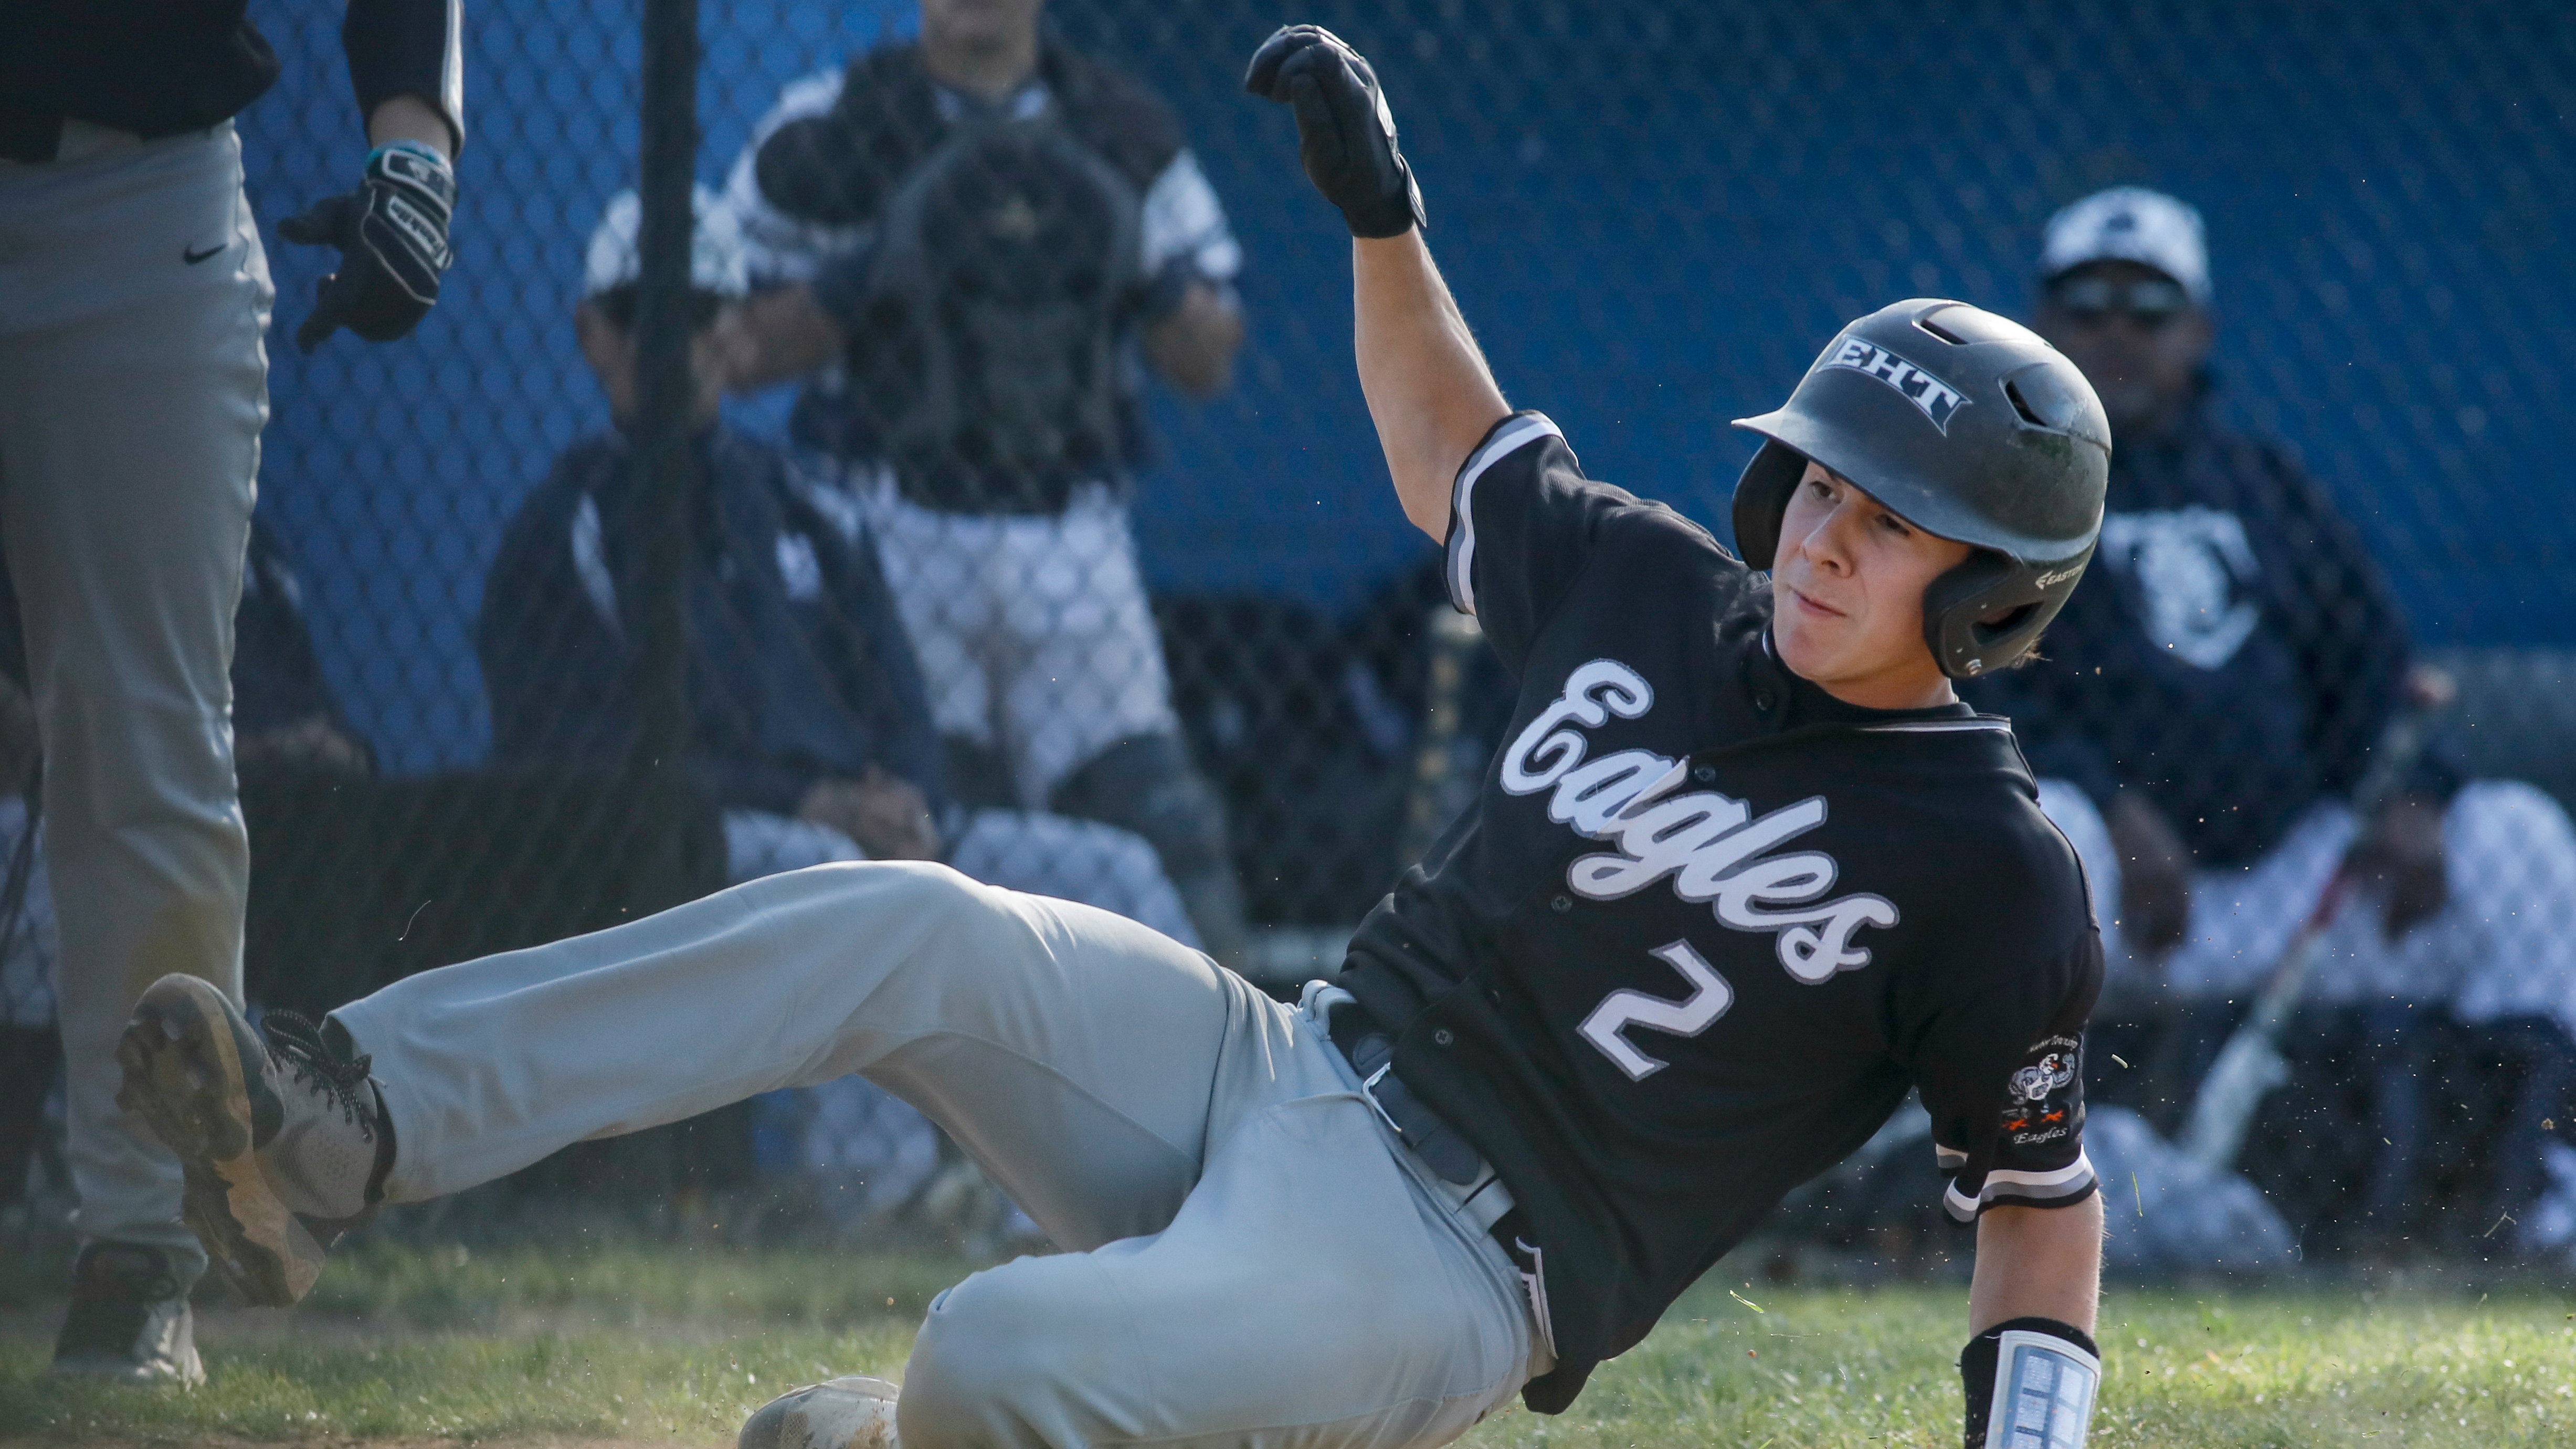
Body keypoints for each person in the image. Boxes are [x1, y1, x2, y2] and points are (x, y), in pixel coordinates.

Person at [116, 28, 2111, 1449]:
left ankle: (913, 1433)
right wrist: (1379, 220)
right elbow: (1456, 452)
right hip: (1275, 1062)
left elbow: (2037, 1214)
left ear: (1992, 589)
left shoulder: (1985, 868)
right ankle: (343, 1118)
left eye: (1886, 517)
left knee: (990, 1360)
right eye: (1816, 489)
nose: (1825, 533)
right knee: (893, 922)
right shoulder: (1660, 590)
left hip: (1443, 1272)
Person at [1972, 186, 2576, 1247]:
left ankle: (2540, 1182)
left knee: (2516, 836)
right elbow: (1982, 691)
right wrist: (2112, 808)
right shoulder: (2005, 495)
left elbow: (2368, 673)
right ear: (2044, 329)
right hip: (2109, 904)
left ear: (2197, 332)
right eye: (2088, 307)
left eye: (2148, 311)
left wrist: (2414, 798)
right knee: (2033, 826)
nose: (2117, 332)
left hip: (2298, 895)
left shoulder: (2265, 485)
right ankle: (2004, 1175)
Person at [2, 0, 462, 1382]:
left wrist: (416, 143)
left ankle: (141, 1255)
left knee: (148, 742)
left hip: (141, 189)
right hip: (139, 194)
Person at [483, 187, 1199, 932]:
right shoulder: (568, 524)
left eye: (697, 312)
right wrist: (801, 802)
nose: (671, 339)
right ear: (593, 332)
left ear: (737, 332)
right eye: (640, 312)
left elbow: (900, 704)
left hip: (865, 834)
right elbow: (567, 756)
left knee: (1122, 873)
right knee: (818, 867)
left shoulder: (808, 504)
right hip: (703, 845)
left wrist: (907, 807)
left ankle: (1226, 1052)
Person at [708, 0, 1253, 963]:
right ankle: (957, 1113)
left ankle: (1221, 1095)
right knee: (943, 849)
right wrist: (875, 265)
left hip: (1072, 537)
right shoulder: (839, 122)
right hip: (894, 530)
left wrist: (1132, 252)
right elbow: (733, 349)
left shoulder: (1116, 125)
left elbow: (1211, 355)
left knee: (1165, 834)